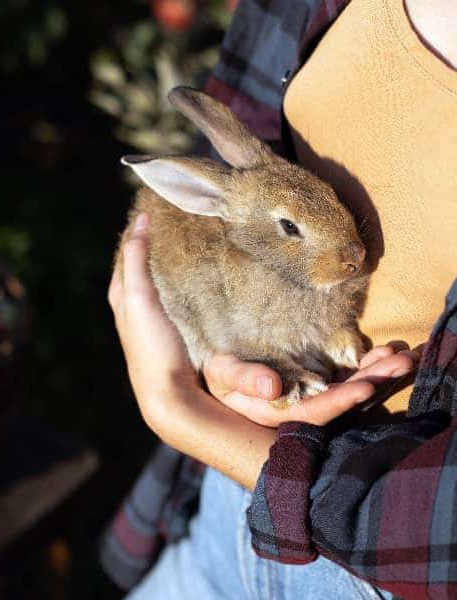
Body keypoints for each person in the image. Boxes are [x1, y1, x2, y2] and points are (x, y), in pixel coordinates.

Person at [101, 0, 457, 598]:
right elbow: (244, 151)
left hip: (379, 561)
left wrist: (180, 412)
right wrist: (209, 371)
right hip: (220, 520)